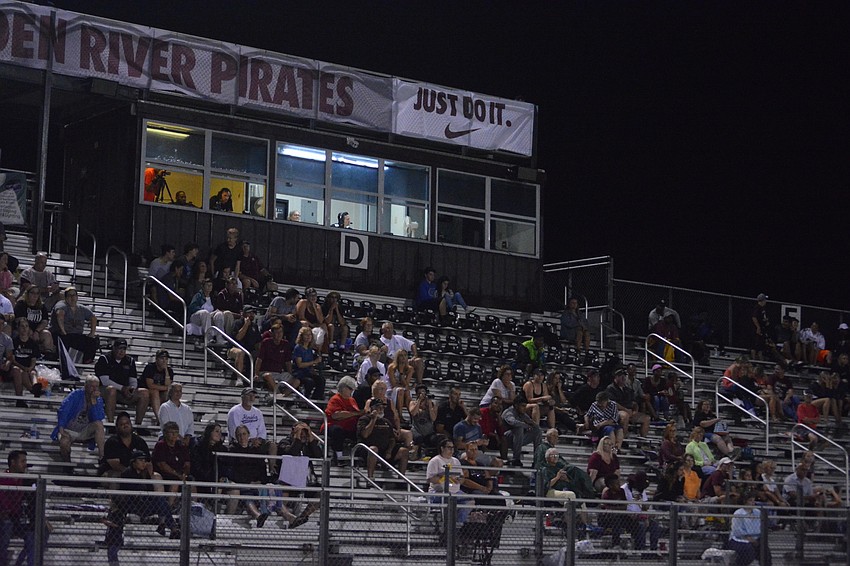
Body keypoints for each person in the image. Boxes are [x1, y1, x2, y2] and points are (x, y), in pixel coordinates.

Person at [0, 450, 51, 566]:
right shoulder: (2, 478)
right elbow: (4, 505)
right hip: (5, 520)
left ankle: (29, 563)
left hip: (18, 520)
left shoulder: (26, 480)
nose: (25, 464)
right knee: (6, 524)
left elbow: (34, 502)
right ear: (13, 462)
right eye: (22, 461)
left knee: (42, 530)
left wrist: (43, 518)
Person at [224, 425, 271, 527]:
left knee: (272, 488)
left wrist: (258, 481)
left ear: (249, 435)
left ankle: (286, 515)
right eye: (239, 435)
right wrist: (248, 482)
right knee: (247, 493)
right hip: (241, 484)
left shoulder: (255, 451)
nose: (242, 437)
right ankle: (258, 515)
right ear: (236, 437)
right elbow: (232, 472)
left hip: (255, 483)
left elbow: (262, 470)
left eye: (244, 434)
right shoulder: (232, 450)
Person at [95, 339, 150, 426]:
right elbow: (105, 381)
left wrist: (131, 389)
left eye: (124, 349)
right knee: (111, 390)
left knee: (144, 393)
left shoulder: (130, 360)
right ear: (114, 348)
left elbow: (133, 380)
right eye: (120, 348)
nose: (122, 351)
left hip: (123, 391)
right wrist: (122, 388)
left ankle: (138, 425)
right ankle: (111, 423)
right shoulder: (105, 358)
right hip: (106, 390)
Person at [51, 376, 106, 462]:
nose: (94, 389)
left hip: (84, 431)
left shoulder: (98, 400)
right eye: (92, 386)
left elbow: (98, 418)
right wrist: (61, 429)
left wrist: (93, 402)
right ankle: (67, 464)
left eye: (96, 386)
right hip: (69, 429)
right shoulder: (75, 395)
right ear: (85, 386)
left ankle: (102, 457)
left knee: (99, 424)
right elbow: (63, 410)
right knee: (64, 442)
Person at [357, 397, 409, 478]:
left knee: (404, 451)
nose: (381, 410)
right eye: (378, 407)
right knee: (373, 449)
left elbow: (392, 439)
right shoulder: (364, 419)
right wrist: (373, 420)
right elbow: (365, 434)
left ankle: (402, 479)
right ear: (372, 408)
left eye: (382, 408)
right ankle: (370, 478)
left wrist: (389, 450)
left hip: (384, 450)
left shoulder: (386, 421)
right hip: (368, 450)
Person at [97, 411, 150, 482]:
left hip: (137, 472)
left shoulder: (140, 441)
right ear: (117, 427)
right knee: (115, 477)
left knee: (156, 477)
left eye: (127, 423)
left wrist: (148, 474)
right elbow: (114, 464)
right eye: (122, 424)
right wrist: (130, 473)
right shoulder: (112, 442)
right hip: (112, 472)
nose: (125, 425)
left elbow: (148, 462)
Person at [49, 286, 98, 363]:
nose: (72, 298)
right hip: (62, 334)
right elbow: (60, 315)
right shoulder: (61, 305)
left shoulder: (81, 308)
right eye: (70, 295)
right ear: (65, 297)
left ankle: (86, 360)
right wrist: (63, 331)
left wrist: (92, 332)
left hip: (76, 335)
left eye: (74, 295)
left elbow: (93, 318)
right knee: (66, 340)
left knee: (92, 341)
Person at [724, 490, 771, 566]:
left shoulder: (758, 512)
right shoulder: (738, 513)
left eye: (754, 500)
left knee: (765, 551)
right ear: (744, 501)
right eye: (750, 500)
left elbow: (760, 528)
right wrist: (749, 539)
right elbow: (737, 531)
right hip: (739, 539)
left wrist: (756, 539)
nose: (753, 502)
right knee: (748, 550)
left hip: (756, 538)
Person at [325, 376, 364, 466]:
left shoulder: (352, 400)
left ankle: (360, 457)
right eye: (350, 388)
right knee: (337, 431)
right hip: (334, 425)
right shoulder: (335, 399)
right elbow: (336, 415)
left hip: (349, 426)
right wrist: (353, 414)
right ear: (343, 387)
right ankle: (339, 457)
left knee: (362, 431)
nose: (352, 391)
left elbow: (354, 413)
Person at [226, 388, 276, 457]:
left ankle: (273, 467)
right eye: (249, 395)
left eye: (253, 396)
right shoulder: (234, 411)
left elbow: (262, 431)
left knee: (272, 446)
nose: (251, 398)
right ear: (242, 397)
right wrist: (250, 440)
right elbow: (235, 431)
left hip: (257, 442)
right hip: (241, 441)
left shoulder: (258, 412)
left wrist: (259, 440)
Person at [152, 422, 191, 502]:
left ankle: (193, 508)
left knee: (191, 483)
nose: (174, 435)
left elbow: (187, 463)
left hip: (180, 474)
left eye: (176, 432)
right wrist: (177, 475)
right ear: (165, 433)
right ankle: (170, 509)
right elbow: (162, 465)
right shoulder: (161, 445)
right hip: (166, 474)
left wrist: (184, 473)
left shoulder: (181, 446)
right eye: (171, 432)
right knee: (175, 483)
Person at [606, 366, 650, 438]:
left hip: (629, 411)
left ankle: (642, 441)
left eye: (624, 376)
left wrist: (635, 411)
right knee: (625, 416)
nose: (623, 378)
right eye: (620, 376)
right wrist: (626, 410)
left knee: (646, 418)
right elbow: (613, 403)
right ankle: (623, 439)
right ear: (616, 377)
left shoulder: (627, 390)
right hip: (616, 412)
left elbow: (634, 403)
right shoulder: (611, 388)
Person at [255, 322, 295, 397]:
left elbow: (288, 362)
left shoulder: (285, 344)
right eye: (276, 332)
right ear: (272, 334)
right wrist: (256, 374)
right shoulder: (266, 342)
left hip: (280, 373)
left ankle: (284, 395)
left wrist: (290, 373)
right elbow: (259, 359)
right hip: (266, 371)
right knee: (268, 376)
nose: (279, 334)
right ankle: (278, 394)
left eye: (280, 332)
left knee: (296, 381)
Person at [9, 319, 42, 408]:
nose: (24, 328)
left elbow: (33, 359)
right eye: (22, 326)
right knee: (18, 371)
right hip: (16, 367)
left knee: (33, 372)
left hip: (28, 368)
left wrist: (30, 367)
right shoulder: (13, 342)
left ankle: (35, 386)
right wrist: (23, 367)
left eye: (26, 326)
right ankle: (31, 391)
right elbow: (12, 359)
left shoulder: (33, 343)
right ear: (18, 328)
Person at [500, 396, 541, 467]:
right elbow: (513, 422)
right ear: (516, 405)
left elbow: (531, 423)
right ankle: (516, 458)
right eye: (523, 406)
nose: (525, 408)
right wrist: (525, 425)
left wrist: (532, 424)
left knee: (537, 430)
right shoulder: (509, 412)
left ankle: (537, 459)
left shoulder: (522, 414)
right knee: (519, 428)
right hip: (505, 439)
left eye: (525, 406)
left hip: (518, 439)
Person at [14, 286, 54, 356]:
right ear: (27, 294)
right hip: (23, 328)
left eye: (37, 293)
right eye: (32, 293)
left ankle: (48, 357)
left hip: (37, 330)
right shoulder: (21, 304)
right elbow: (20, 320)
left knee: (47, 334)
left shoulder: (42, 306)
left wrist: (37, 331)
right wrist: (29, 330)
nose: (35, 295)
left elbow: (45, 321)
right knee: (26, 332)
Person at [190, 422, 227, 491]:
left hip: (216, 479)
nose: (219, 434)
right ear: (209, 432)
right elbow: (197, 466)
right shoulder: (198, 446)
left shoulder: (222, 449)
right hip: (200, 478)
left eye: (220, 432)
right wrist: (209, 477)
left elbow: (224, 466)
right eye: (216, 431)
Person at [291, 326, 324, 400]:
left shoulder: (309, 349)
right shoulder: (298, 348)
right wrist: (313, 362)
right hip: (300, 373)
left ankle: (316, 398)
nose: (308, 337)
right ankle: (305, 398)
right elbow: (299, 364)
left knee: (321, 380)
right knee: (309, 382)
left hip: (308, 371)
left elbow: (311, 364)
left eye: (310, 335)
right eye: (306, 335)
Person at [141, 350, 173, 425]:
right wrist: (165, 388)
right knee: (154, 391)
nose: (164, 361)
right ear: (157, 359)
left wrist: (166, 371)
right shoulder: (150, 367)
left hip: (160, 395)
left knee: (168, 393)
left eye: (166, 359)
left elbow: (168, 385)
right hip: (146, 394)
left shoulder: (170, 370)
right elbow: (150, 385)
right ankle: (159, 419)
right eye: (162, 358)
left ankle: (167, 418)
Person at [409, 384, 440, 453]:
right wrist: (419, 401)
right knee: (418, 438)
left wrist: (429, 406)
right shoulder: (413, 403)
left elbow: (433, 418)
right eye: (419, 393)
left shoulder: (432, 404)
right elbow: (413, 413)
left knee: (435, 439)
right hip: (417, 430)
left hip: (428, 431)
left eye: (423, 392)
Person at [211, 276, 243, 344]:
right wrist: (232, 314)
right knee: (228, 314)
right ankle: (229, 337)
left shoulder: (238, 295)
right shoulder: (222, 294)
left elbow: (240, 309)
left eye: (235, 284)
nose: (234, 285)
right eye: (232, 283)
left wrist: (241, 314)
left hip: (236, 316)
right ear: (227, 285)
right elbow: (219, 310)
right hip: (223, 316)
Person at [386, 349, 414, 423]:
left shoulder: (410, 369)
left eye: (405, 355)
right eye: (401, 355)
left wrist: (401, 373)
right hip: (391, 389)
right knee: (401, 390)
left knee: (407, 392)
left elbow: (406, 384)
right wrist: (401, 373)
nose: (403, 357)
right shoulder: (391, 367)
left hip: (402, 388)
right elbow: (393, 384)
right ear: (397, 357)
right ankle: (400, 416)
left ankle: (412, 416)